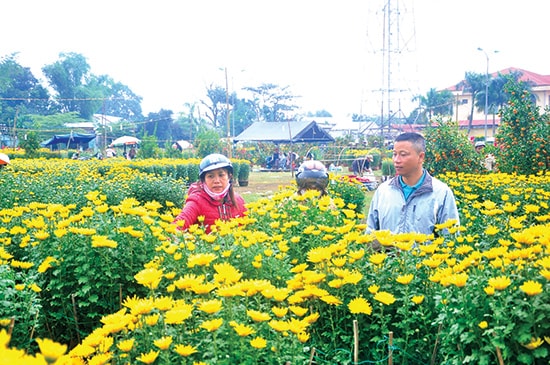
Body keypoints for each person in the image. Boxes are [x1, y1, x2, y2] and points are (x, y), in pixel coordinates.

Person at [366, 132, 459, 236]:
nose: (396, 160)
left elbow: (450, 237)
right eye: (394, 154)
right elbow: (370, 234)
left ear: (421, 157)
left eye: (403, 154)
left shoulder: (440, 193)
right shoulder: (383, 191)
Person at [173, 153, 247, 233]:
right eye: (210, 176)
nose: (217, 181)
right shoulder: (196, 201)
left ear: (229, 176)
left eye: (221, 175)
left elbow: (248, 228)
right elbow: (177, 226)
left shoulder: (239, 201)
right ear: (203, 180)